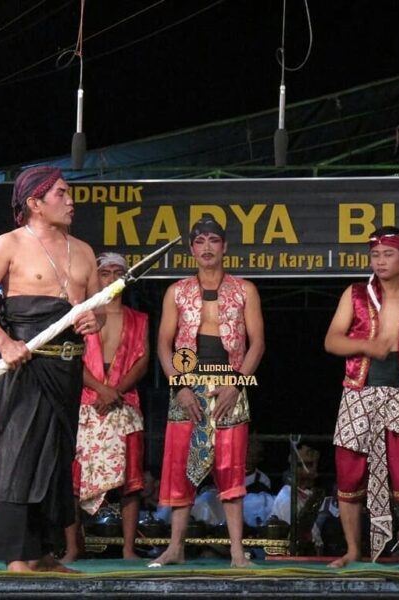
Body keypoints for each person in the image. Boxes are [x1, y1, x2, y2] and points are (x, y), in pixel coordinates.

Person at [0, 166, 103, 573]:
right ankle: (16, 556)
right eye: (62, 193)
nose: (71, 200)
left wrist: (96, 321)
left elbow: (97, 311)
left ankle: (43, 553)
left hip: (67, 369)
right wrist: (4, 343)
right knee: (20, 455)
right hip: (25, 364)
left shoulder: (85, 251)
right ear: (35, 203)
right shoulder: (9, 244)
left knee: (57, 458)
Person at [149, 217, 265, 568]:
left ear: (225, 246)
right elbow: (163, 346)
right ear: (192, 250)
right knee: (182, 465)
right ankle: (175, 548)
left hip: (232, 382)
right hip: (187, 385)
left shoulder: (245, 289)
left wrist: (237, 383)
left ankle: (235, 552)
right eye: (200, 241)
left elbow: (257, 344)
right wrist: (179, 386)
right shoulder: (177, 291)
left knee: (231, 467)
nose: (207, 247)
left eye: (214, 240)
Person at [324, 226, 399, 567]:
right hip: (357, 393)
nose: (380, 261)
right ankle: (352, 551)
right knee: (350, 472)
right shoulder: (356, 293)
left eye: (388, 254)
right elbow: (331, 341)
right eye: (375, 255)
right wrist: (366, 346)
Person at [64, 252, 149, 561]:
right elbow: (72, 357)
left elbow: (143, 361)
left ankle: (128, 549)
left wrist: (115, 391)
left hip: (124, 404)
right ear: (96, 277)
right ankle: (73, 547)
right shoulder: (82, 315)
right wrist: (101, 389)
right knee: (74, 480)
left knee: (131, 481)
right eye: (105, 272)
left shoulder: (139, 318)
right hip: (88, 401)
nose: (112, 278)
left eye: (118, 272)